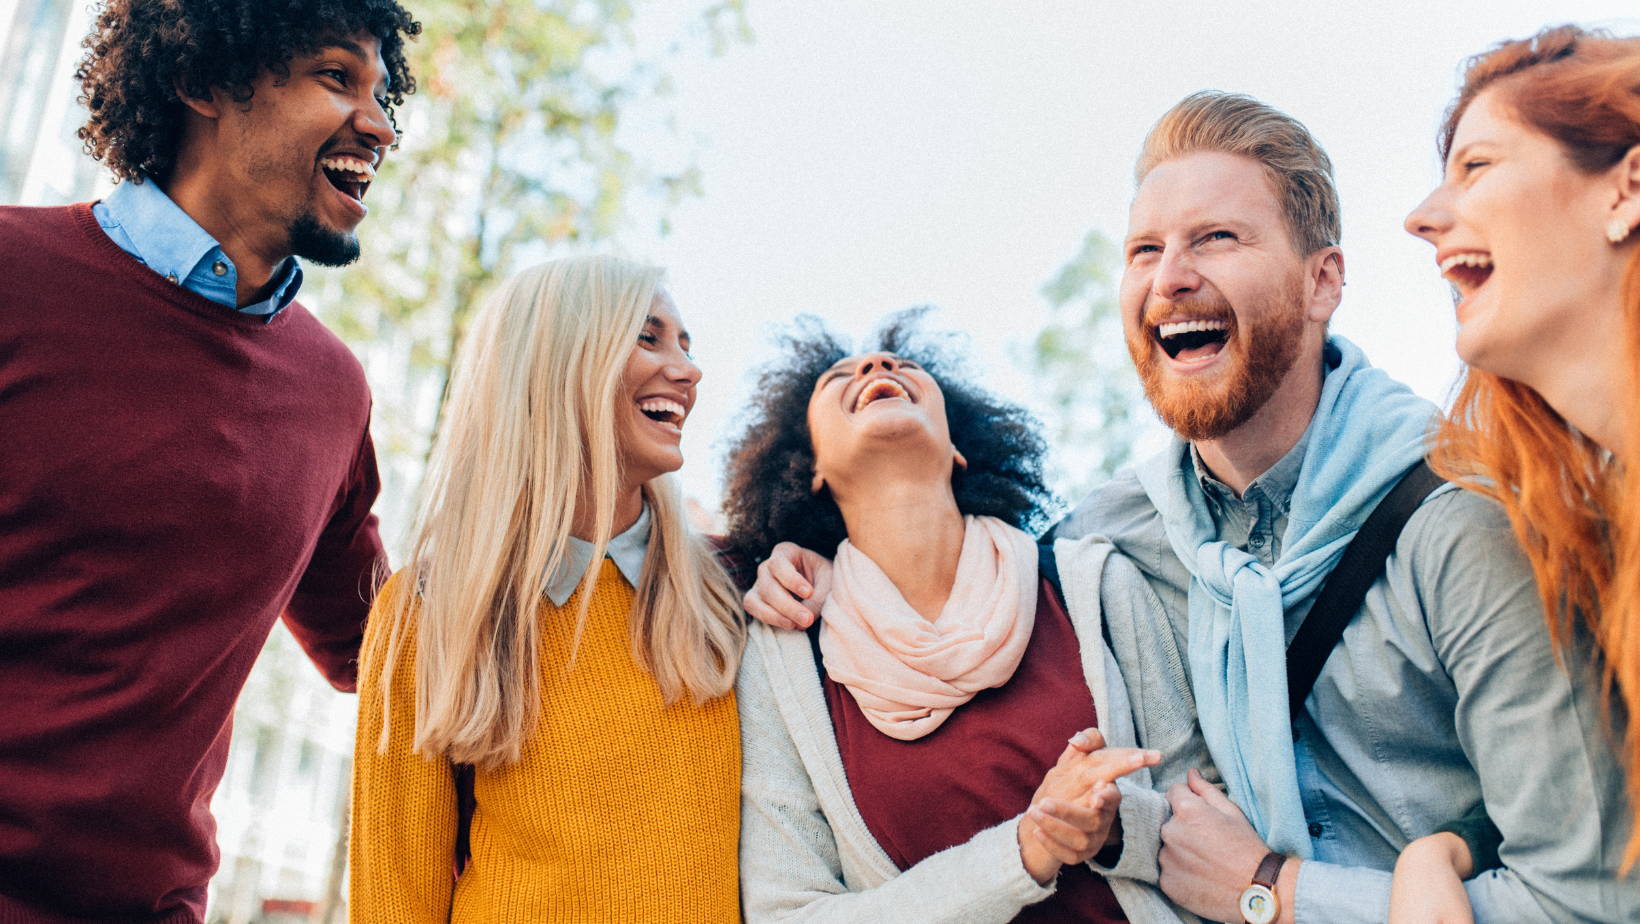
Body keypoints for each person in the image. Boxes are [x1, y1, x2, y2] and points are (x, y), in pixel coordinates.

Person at [747, 91, 1639, 922]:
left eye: (1216, 239)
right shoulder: (1113, 542)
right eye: (1144, 251)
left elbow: (1587, 901)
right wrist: (806, 559)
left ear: (1323, 282)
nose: (1169, 278)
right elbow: (949, 571)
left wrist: (1274, 893)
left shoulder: (1469, 519)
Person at [0, 1, 419, 920]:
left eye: (382, 93)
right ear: (203, 82)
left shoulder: (333, 391)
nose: (382, 125)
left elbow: (386, 649)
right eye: (337, 78)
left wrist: (735, 579)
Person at [723, 311, 1202, 922]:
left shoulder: (1091, 584)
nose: (876, 368)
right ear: (806, 468)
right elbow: (787, 914)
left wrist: (1114, 828)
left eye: (904, 368)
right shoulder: (783, 655)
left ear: (958, 446)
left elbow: (1203, 798)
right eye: (838, 378)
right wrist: (1024, 852)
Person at [350, 256, 746, 922]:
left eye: (685, 344)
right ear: (557, 362)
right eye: (647, 338)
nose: (687, 369)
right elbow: (393, 897)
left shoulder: (731, 592)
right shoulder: (427, 610)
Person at [1403, 23, 1640, 886]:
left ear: (1629, 186)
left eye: (1478, 167)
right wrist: (1460, 841)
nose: (1423, 218)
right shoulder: (1595, 530)